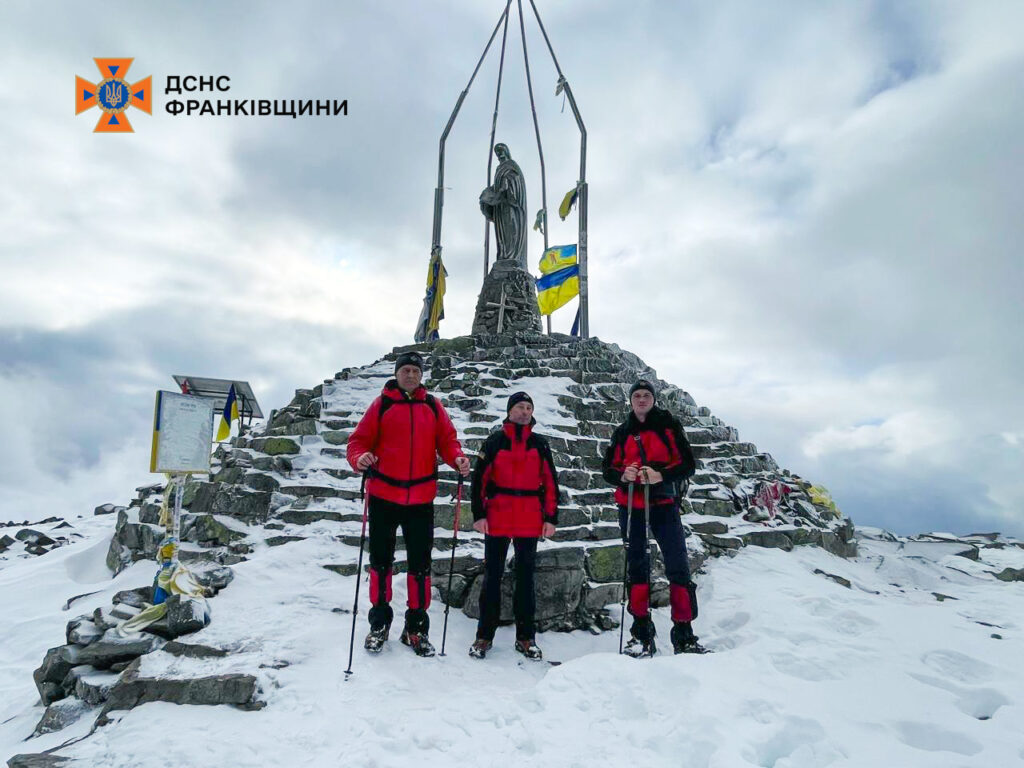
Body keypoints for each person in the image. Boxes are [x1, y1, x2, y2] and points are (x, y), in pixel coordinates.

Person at [347, 351, 471, 657]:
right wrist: (359, 458)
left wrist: (457, 458)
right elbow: (358, 442)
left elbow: (447, 439)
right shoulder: (382, 404)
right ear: (397, 373)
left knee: (420, 567)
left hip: (420, 499)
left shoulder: (432, 406)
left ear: (421, 375)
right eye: (406, 370)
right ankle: (379, 624)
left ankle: (415, 629)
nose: (411, 375)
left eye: (416, 370)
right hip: (383, 496)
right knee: (380, 563)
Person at [602, 379, 706, 657]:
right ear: (631, 400)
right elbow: (608, 468)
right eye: (637, 395)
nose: (642, 400)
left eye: (646, 395)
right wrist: (623, 475)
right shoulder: (622, 432)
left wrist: (660, 474)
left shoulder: (668, 426)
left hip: (663, 501)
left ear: (653, 399)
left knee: (677, 563)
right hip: (631, 503)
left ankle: (684, 632)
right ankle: (641, 632)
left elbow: (687, 463)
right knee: (637, 564)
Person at [468, 392, 559, 661]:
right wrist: (479, 514)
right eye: (520, 407)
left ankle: (526, 638)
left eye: (529, 407)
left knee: (526, 578)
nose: (524, 411)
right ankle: (484, 636)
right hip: (497, 516)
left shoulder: (539, 443)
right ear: (510, 411)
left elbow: (551, 482)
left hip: (530, 517)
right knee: (492, 576)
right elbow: (479, 482)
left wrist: (551, 518)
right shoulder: (495, 441)